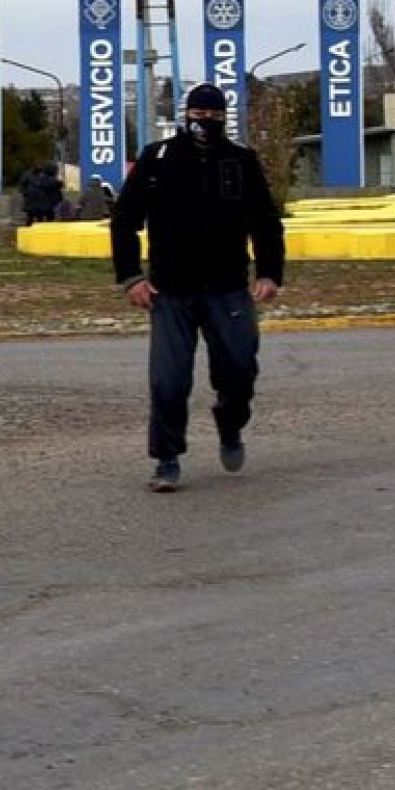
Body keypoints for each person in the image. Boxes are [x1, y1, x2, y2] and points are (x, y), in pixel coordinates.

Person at [110, 82, 286, 493]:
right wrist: (131, 277)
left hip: (228, 289)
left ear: (224, 118)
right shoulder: (159, 158)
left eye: (212, 116)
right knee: (168, 381)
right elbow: (125, 220)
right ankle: (167, 459)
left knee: (239, 371)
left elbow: (265, 223)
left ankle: (230, 424)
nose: (203, 122)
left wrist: (269, 273)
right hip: (171, 291)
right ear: (183, 114)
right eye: (196, 114)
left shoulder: (241, 161)